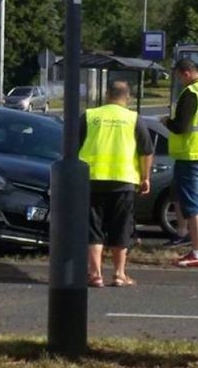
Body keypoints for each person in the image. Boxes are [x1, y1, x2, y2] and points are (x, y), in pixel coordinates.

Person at [79, 81, 154, 287]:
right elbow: (146, 152)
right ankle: (119, 274)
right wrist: (145, 177)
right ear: (127, 97)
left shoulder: (90, 116)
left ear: (106, 94)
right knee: (121, 227)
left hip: (93, 179)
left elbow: (73, 146)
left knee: (93, 228)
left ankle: (95, 275)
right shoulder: (133, 119)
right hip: (123, 181)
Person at [163, 58, 198, 268]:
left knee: (193, 205)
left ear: (186, 73)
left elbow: (181, 127)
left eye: (179, 76)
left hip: (190, 155)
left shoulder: (191, 93)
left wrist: (166, 122)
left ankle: (197, 252)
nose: (180, 81)